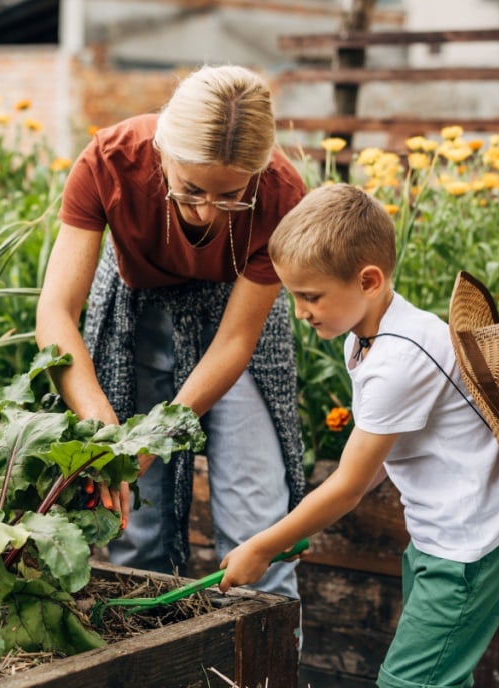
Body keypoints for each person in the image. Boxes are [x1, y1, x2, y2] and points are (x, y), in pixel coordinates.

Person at [219, 184, 499, 688]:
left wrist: (263, 546)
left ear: (368, 280)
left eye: (311, 296)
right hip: (447, 537)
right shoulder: (372, 333)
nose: (300, 312)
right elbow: (382, 460)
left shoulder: (397, 361)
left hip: (466, 548)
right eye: (294, 296)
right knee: (434, 686)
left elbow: (351, 483)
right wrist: (301, 529)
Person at [36, 65, 308, 598]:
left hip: (236, 319)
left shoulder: (281, 194)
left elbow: (234, 342)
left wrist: (158, 435)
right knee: (135, 525)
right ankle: (152, 672)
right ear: (161, 150)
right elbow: (55, 312)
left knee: (258, 524)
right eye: (191, 189)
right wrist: (102, 422)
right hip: (134, 313)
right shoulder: (109, 162)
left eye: (231, 195)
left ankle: (263, 676)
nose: (208, 211)